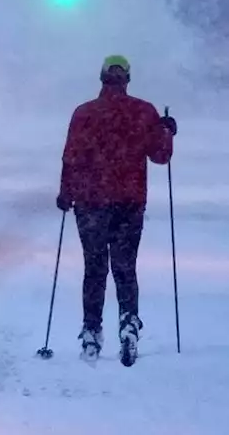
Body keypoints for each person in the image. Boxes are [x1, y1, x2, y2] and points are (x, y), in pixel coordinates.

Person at [57, 55, 176, 364]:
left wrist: (65, 193)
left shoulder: (84, 114)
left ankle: (91, 332)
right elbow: (160, 157)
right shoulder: (144, 112)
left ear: (101, 78)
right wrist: (166, 132)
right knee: (125, 267)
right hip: (129, 202)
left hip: (90, 202)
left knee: (94, 268)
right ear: (128, 79)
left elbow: (71, 156)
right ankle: (128, 325)